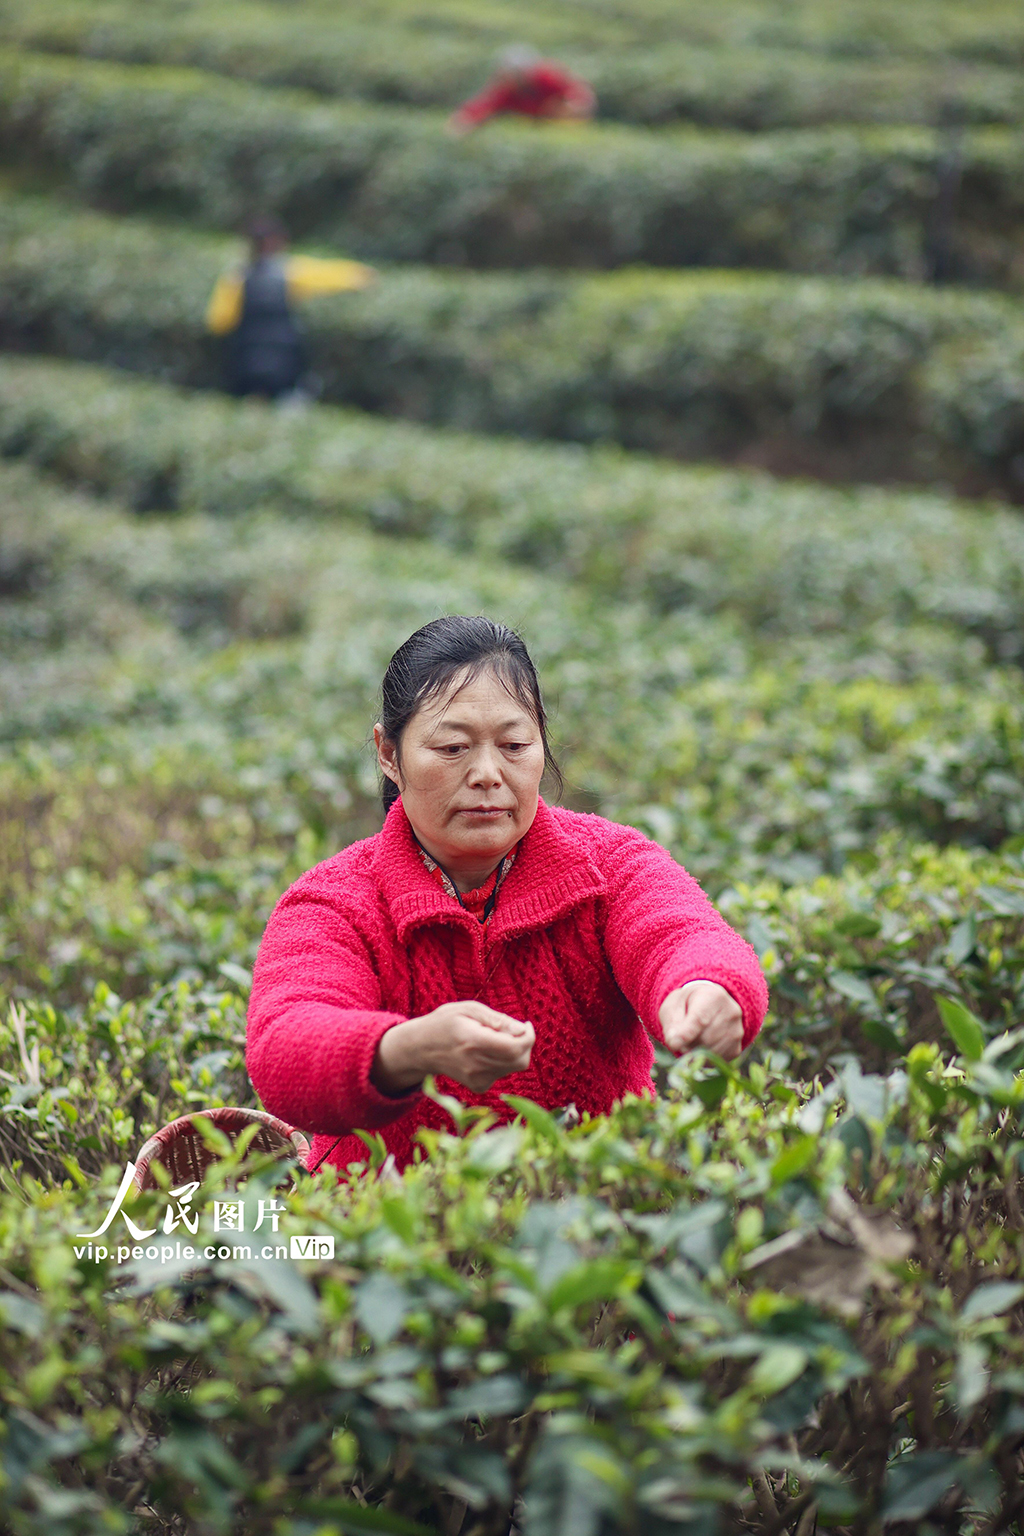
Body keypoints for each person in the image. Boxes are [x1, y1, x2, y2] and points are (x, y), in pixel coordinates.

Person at [247, 616, 768, 1176]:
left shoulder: (609, 861)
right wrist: (409, 1049)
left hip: (601, 1222)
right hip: (394, 1245)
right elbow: (284, 1048)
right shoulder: (334, 904)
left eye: (515, 744)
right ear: (388, 753)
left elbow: (678, 933)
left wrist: (706, 988)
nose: (488, 774)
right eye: (452, 748)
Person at [205, 217, 375, 402]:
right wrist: (362, 275)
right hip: (284, 360)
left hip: (245, 361)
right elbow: (327, 276)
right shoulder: (289, 272)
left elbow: (218, 322)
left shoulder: (235, 278)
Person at [448, 45, 596, 134]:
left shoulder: (548, 76)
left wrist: (572, 107)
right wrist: (464, 119)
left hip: (563, 125)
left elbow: (580, 94)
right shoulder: (505, 87)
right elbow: (485, 103)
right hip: (536, 126)